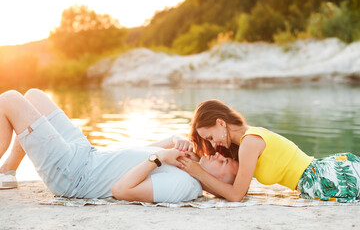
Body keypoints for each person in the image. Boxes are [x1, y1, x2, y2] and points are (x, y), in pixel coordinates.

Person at [0, 89, 236, 203]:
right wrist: (174, 141)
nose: (218, 155)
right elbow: (145, 150)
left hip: (74, 176)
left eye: (224, 163)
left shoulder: (185, 185)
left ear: (219, 184)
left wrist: (160, 157)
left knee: (9, 99)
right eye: (224, 156)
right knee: (33, 96)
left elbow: (121, 190)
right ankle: (8, 171)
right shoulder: (189, 164)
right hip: (85, 154)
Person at [179, 99, 360, 203]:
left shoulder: (249, 142)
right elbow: (216, 168)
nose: (212, 144)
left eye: (210, 137)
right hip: (319, 176)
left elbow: (236, 195)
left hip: (323, 178)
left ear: (220, 122)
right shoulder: (245, 142)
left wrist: (199, 173)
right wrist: (193, 157)